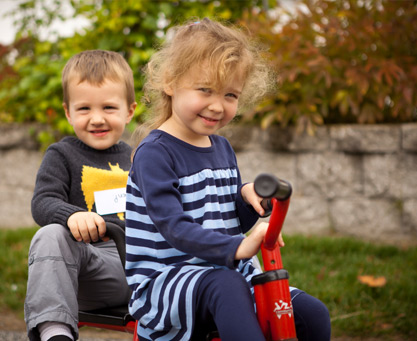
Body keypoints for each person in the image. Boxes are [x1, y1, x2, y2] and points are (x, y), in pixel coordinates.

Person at [125, 18, 331, 341]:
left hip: (225, 272)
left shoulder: (221, 147)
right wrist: (238, 247)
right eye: (205, 89)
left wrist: (249, 200)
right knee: (228, 287)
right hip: (166, 282)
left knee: (312, 316)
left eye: (230, 95)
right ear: (170, 82)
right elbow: (174, 228)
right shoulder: (155, 153)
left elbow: (227, 220)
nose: (217, 106)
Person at [24, 50, 137, 341]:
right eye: (84, 108)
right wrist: (73, 215)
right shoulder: (62, 155)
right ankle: (55, 331)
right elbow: (43, 202)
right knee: (50, 235)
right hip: (89, 271)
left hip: (142, 270)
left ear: (130, 110)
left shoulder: (142, 158)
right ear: (68, 112)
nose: (97, 119)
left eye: (109, 108)